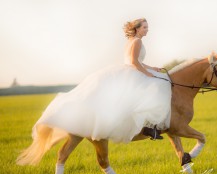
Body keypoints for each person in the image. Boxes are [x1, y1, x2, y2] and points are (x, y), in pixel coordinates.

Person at [30, 18, 171, 144]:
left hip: (129, 71)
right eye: (145, 27)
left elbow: (136, 61)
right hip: (132, 72)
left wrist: (151, 68)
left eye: (147, 27)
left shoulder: (131, 41)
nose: (147, 29)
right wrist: (147, 73)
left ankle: (149, 127)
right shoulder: (138, 41)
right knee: (159, 88)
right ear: (137, 29)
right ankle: (150, 127)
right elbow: (134, 62)